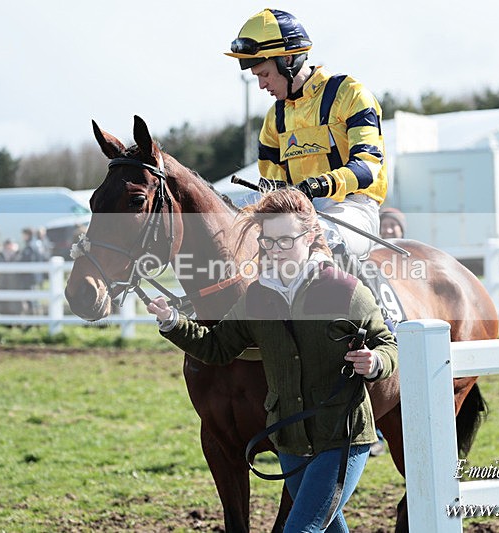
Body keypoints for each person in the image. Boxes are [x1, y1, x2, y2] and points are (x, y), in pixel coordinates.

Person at [147, 189, 397, 532]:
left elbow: (388, 343)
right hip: (291, 442)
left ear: (309, 237)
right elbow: (217, 348)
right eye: (269, 241)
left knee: (301, 529)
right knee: (328, 527)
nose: (275, 250)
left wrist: (375, 362)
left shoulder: (345, 290)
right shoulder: (257, 297)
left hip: (341, 439)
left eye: (286, 240)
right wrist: (173, 322)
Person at [226, 8, 388, 261]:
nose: (261, 85)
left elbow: (367, 169)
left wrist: (316, 185)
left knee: (312, 242)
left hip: (352, 208)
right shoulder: (273, 119)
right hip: (296, 217)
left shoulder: (351, 94)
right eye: (256, 77)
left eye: (265, 74)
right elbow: (272, 185)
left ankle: (362, 301)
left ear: (288, 61)